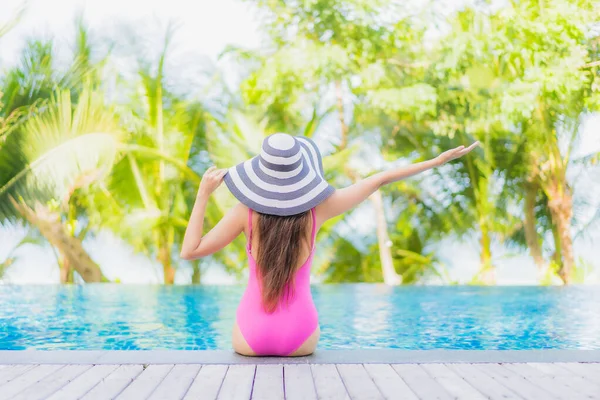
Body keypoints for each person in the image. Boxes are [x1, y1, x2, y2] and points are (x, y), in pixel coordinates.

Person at [181, 133, 479, 356]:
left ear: (261, 172)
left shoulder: (244, 214)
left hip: (250, 338)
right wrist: (437, 161)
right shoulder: (319, 209)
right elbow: (379, 179)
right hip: (300, 337)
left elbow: (190, 251)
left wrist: (203, 194)